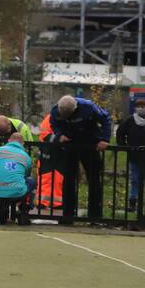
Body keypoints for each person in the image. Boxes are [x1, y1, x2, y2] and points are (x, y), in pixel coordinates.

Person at [49, 95, 112, 225]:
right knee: (69, 180)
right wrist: (60, 135)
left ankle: (95, 217)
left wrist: (104, 139)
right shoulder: (56, 110)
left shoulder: (88, 107)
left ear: (75, 109)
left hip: (90, 144)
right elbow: (53, 124)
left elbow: (106, 119)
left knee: (94, 179)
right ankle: (68, 216)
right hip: (70, 144)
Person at [0, 115, 37, 222]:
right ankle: (23, 210)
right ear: (23, 143)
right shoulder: (25, 156)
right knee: (31, 181)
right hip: (18, 192)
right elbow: (27, 174)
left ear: (9, 140)